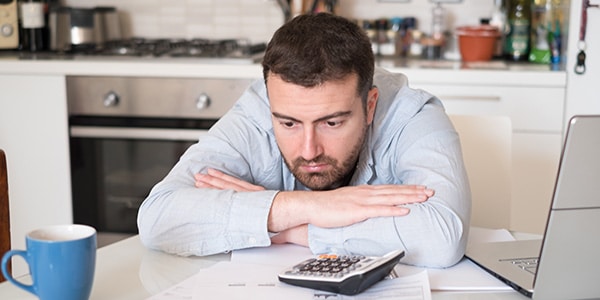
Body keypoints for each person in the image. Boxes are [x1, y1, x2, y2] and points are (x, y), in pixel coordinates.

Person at [138, 13, 471, 268]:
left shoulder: (412, 114)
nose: (309, 150)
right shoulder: (257, 112)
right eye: (289, 123)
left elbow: (441, 238)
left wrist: (286, 229)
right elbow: (157, 220)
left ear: (369, 105)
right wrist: (311, 206)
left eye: (331, 122)